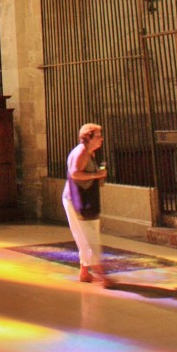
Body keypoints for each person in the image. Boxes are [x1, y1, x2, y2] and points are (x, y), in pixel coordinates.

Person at [63, 123, 111, 287]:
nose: (101, 139)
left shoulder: (88, 152)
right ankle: (101, 276)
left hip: (81, 199)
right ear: (88, 138)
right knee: (89, 238)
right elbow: (75, 173)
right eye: (98, 136)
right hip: (77, 201)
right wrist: (98, 174)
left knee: (86, 236)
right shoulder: (82, 152)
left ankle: (84, 272)